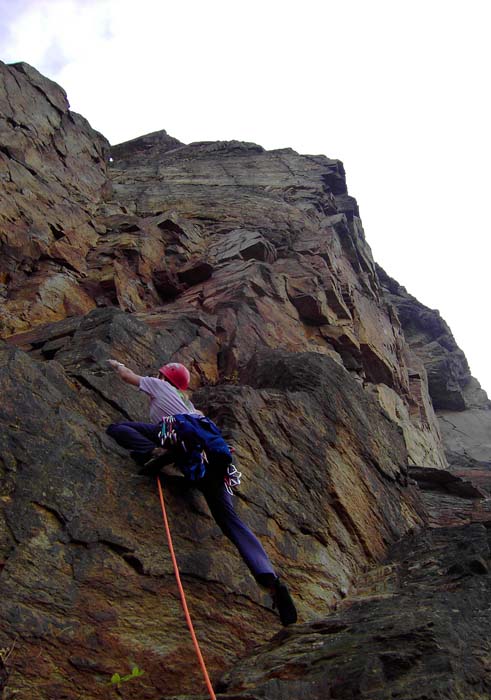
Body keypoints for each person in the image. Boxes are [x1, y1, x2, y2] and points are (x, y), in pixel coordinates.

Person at [106, 359, 297, 626]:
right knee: (230, 522)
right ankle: (271, 580)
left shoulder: (159, 386)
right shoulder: (191, 406)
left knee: (118, 428)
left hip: (176, 436)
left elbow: (128, 376)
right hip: (213, 459)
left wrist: (116, 364)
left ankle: (156, 453)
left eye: (159, 375)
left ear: (164, 377)